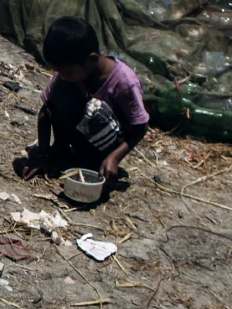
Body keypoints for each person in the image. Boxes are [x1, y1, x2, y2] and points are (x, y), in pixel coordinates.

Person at [18, 16, 148, 187]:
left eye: (67, 72)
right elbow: (46, 111)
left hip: (105, 141)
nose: (61, 76)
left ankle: (97, 162)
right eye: (58, 71)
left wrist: (115, 157)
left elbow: (140, 126)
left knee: (96, 110)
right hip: (78, 134)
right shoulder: (70, 73)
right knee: (62, 93)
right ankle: (60, 150)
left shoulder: (124, 82)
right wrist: (44, 154)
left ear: (92, 60)